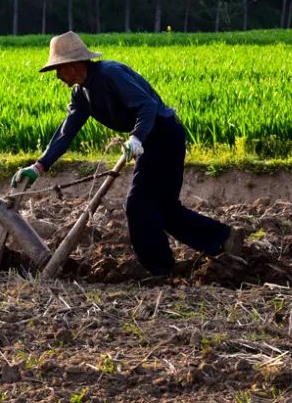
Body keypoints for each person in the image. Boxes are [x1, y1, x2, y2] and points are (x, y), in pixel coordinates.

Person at [12, 31, 243, 277]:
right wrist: (39, 167)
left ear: (72, 64)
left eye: (58, 69)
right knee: (163, 208)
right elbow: (65, 133)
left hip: (164, 135)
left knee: (138, 204)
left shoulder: (111, 74)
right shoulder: (81, 94)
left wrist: (137, 137)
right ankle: (223, 239)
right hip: (148, 140)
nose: (57, 76)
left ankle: (161, 269)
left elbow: (148, 106)